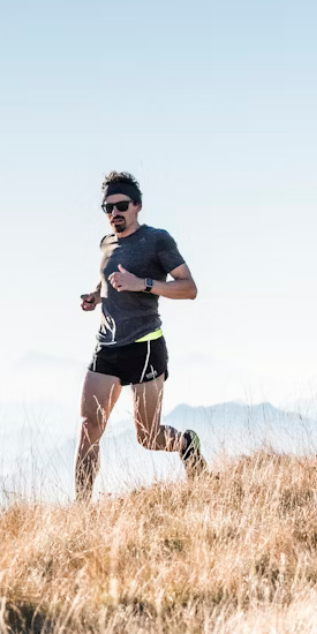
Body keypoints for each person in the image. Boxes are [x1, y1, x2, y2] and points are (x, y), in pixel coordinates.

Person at [76, 171, 206, 499]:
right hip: (107, 346)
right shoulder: (106, 244)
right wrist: (96, 296)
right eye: (108, 208)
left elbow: (189, 288)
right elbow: (108, 279)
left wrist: (143, 284)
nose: (114, 213)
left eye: (121, 205)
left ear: (137, 206)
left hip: (145, 345)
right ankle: (80, 513)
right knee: (89, 428)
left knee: (148, 436)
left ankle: (186, 444)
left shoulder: (157, 240)